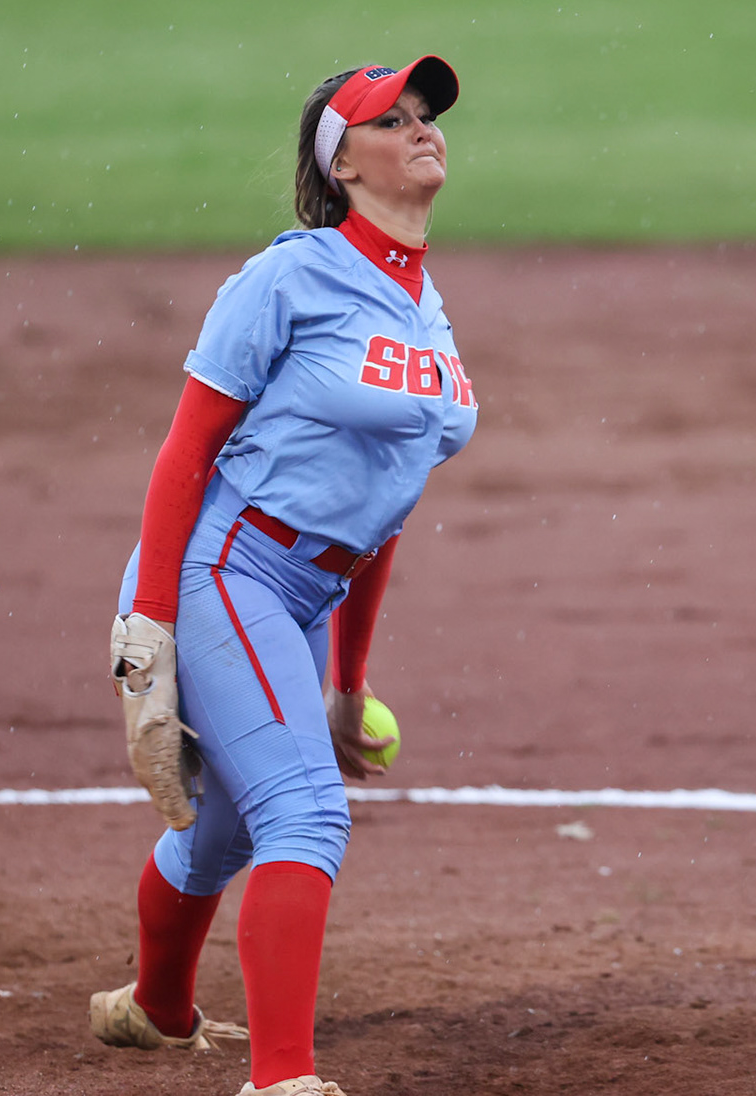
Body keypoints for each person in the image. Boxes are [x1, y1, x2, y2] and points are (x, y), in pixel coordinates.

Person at [88, 55, 477, 1096]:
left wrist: (349, 681)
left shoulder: (424, 308)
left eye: (426, 114)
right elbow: (185, 452)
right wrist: (152, 625)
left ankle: (157, 1007)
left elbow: (385, 502)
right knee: (307, 814)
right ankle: (283, 1080)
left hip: (312, 592)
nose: (422, 128)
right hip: (227, 566)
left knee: (225, 826)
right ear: (343, 162)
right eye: (390, 120)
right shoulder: (288, 277)